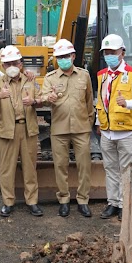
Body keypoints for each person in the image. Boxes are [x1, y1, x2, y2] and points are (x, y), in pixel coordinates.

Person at [95, 34, 132, 221]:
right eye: (106, 52)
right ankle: (113, 203)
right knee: (110, 168)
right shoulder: (102, 75)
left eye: (113, 52)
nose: (109, 55)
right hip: (107, 132)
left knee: (127, 169)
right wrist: (98, 123)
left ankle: (125, 205)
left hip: (127, 131)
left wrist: (127, 103)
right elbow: (101, 101)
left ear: (122, 53)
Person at [41, 39, 95, 218]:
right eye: (59, 57)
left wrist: (89, 121)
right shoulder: (50, 78)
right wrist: (49, 97)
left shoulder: (84, 75)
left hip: (81, 128)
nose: (63, 59)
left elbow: (89, 100)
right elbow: (42, 98)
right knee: (60, 166)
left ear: (73, 56)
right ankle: (63, 200)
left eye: (65, 56)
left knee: (84, 166)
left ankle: (83, 200)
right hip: (59, 128)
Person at [0, 46, 43, 217]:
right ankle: (8, 202)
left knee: (30, 167)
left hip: (28, 129)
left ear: (20, 64)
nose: (11, 66)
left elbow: (42, 100)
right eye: (7, 64)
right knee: (6, 168)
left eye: (14, 62)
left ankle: (32, 201)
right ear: (3, 66)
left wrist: (34, 101)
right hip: (7, 130)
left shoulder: (30, 80)